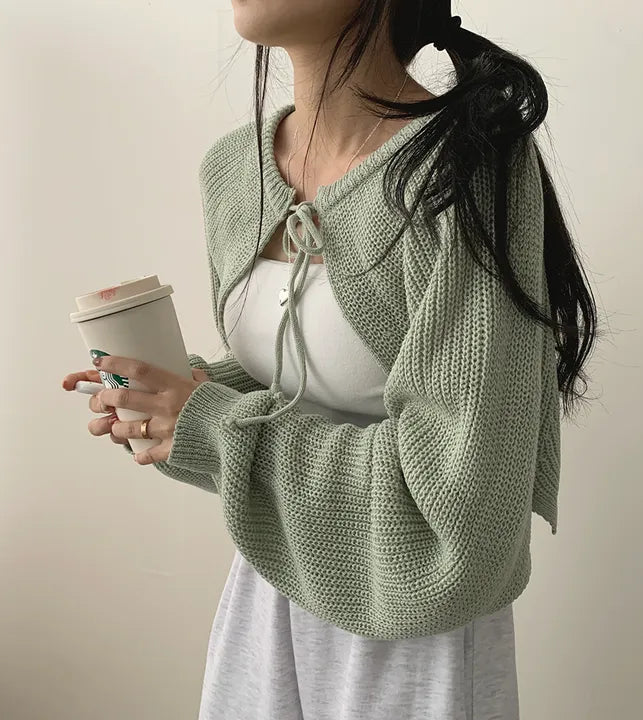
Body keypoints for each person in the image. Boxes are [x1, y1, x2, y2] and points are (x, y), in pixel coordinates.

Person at [63, 1, 598, 717]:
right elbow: (291, 383)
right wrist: (172, 398)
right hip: (272, 582)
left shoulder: (464, 161)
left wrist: (213, 426)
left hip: (417, 620)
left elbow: (466, 503)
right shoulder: (234, 170)